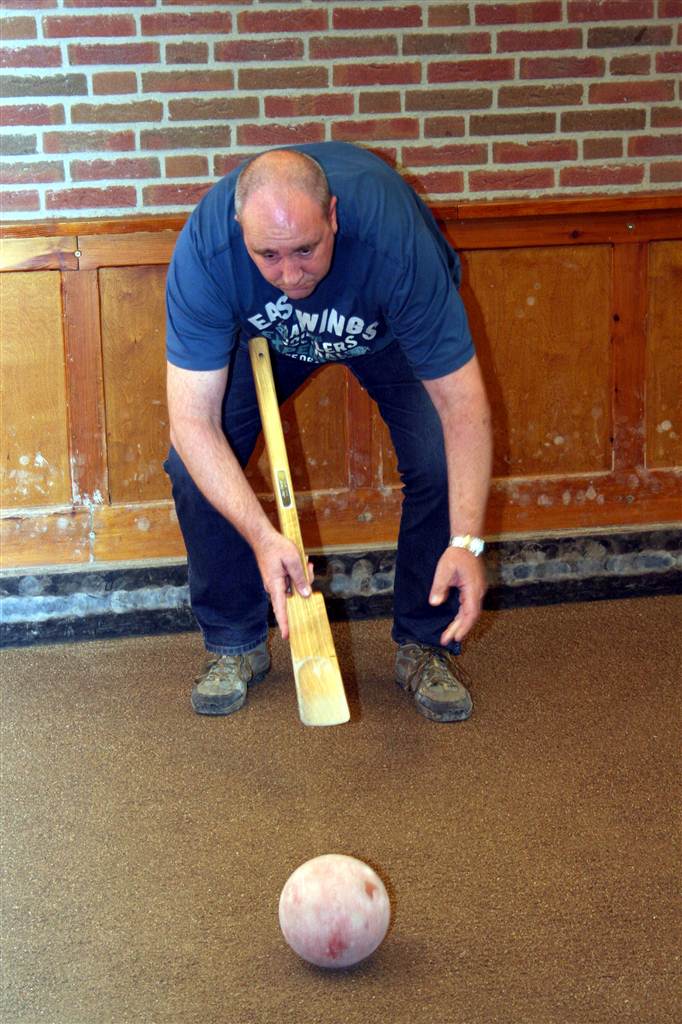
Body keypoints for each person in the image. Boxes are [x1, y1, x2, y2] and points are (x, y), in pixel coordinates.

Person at [165, 141, 492, 723]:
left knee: (438, 460)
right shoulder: (206, 253)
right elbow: (193, 420)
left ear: (333, 216)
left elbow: (463, 407)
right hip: (266, 335)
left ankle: (426, 644)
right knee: (193, 467)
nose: (291, 274)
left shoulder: (395, 243)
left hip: (384, 329)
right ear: (240, 232)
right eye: (268, 255)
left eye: (306, 249)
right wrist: (263, 538)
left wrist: (467, 541)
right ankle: (234, 643)